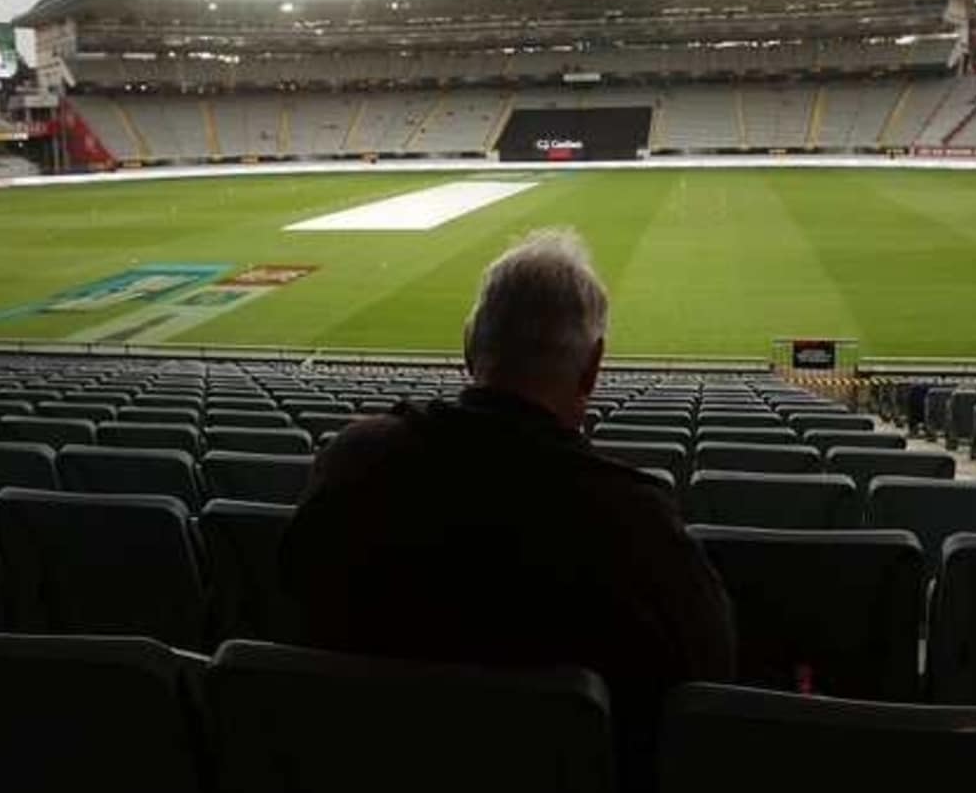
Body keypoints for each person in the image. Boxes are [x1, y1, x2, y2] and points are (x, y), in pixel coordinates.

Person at [280, 228, 735, 788]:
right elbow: (705, 688)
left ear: (469, 347)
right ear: (592, 369)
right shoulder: (637, 521)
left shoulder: (351, 463)